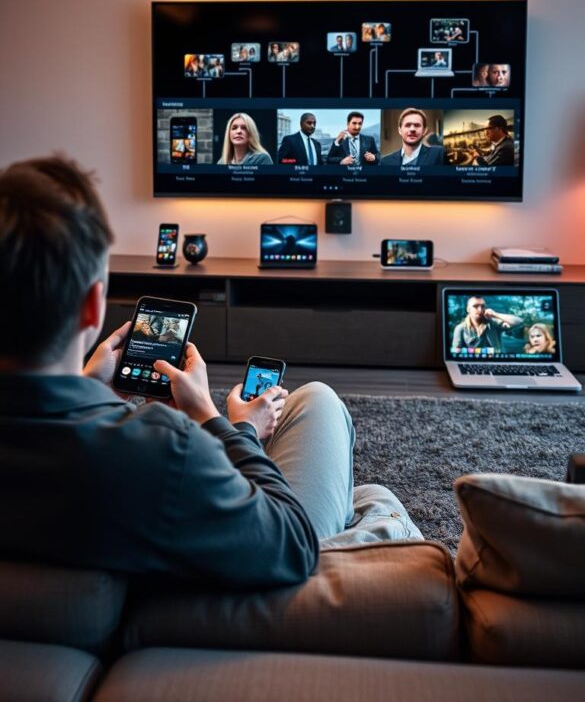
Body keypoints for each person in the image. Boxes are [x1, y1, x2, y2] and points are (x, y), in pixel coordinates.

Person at [0, 155, 421, 586]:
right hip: (269, 580)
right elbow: (291, 543)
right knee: (321, 406)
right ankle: (384, 522)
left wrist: (87, 387)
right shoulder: (161, 449)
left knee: (352, 474)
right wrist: (225, 425)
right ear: (92, 307)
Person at [452, 296, 523, 352]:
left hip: (496, 362)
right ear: (468, 309)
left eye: (483, 306)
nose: (480, 309)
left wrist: (495, 314)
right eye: (475, 306)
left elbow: (519, 322)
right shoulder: (460, 329)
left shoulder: (493, 323)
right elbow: (456, 352)